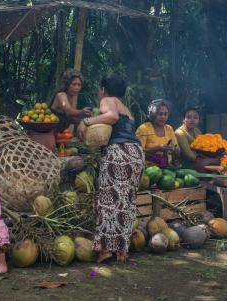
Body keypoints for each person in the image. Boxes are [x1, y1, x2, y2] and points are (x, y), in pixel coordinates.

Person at [77, 74, 144, 263]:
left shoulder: (107, 100)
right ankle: (121, 251)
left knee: (110, 200)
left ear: (103, 89)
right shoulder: (126, 108)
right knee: (126, 202)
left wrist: (85, 121)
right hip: (135, 153)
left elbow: (112, 117)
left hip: (119, 153)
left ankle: (106, 251)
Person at [135, 99, 181, 167]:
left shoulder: (169, 129)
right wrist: (157, 148)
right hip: (147, 169)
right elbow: (137, 151)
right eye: (160, 114)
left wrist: (175, 150)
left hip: (167, 168)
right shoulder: (144, 128)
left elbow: (177, 152)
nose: (163, 117)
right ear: (152, 114)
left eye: (166, 114)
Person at [48, 68, 92, 133]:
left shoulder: (73, 96)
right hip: (49, 135)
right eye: (74, 84)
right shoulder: (61, 95)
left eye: (79, 85)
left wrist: (88, 121)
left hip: (62, 136)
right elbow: (68, 111)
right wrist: (82, 112)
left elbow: (70, 117)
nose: (77, 87)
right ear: (67, 83)